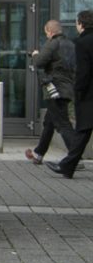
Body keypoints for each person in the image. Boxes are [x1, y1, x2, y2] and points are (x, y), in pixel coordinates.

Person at [45, 10, 93, 178]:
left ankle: (67, 166)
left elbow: (83, 71)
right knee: (83, 133)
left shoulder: (82, 43)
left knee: (83, 131)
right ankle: (67, 166)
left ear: (81, 24)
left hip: (88, 96)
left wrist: (78, 91)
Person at [25, 20, 77, 164]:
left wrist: (35, 54)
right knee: (49, 122)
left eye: (46, 32)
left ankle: (75, 158)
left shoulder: (53, 43)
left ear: (50, 31)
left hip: (54, 89)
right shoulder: (71, 44)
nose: (46, 35)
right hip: (67, 88)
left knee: (63, 124)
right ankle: (38, 154)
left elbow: (39, 62)